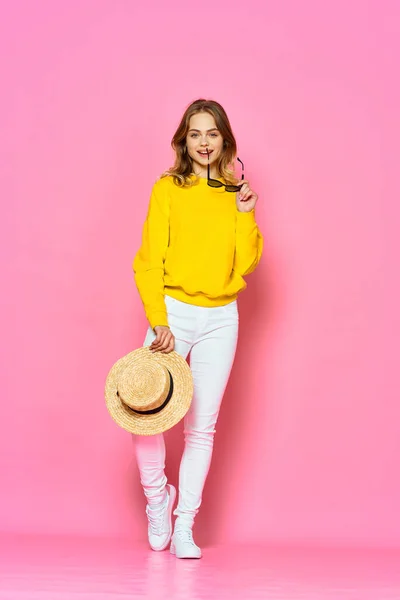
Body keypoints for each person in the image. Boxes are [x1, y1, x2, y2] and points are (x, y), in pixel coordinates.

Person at [132, 98, 263, 559]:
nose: (204, 142)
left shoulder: (234, 194)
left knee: (200, 428)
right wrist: (159, 320)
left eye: (212, 133)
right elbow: (148, 261)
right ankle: (156, 501)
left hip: (221, 317)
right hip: (172, 311)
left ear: (225, 140)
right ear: (183, 140)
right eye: (195, 133)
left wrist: (246, 214)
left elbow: (244, 264)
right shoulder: (167, 188)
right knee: (145, 414)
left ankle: (184, 523)